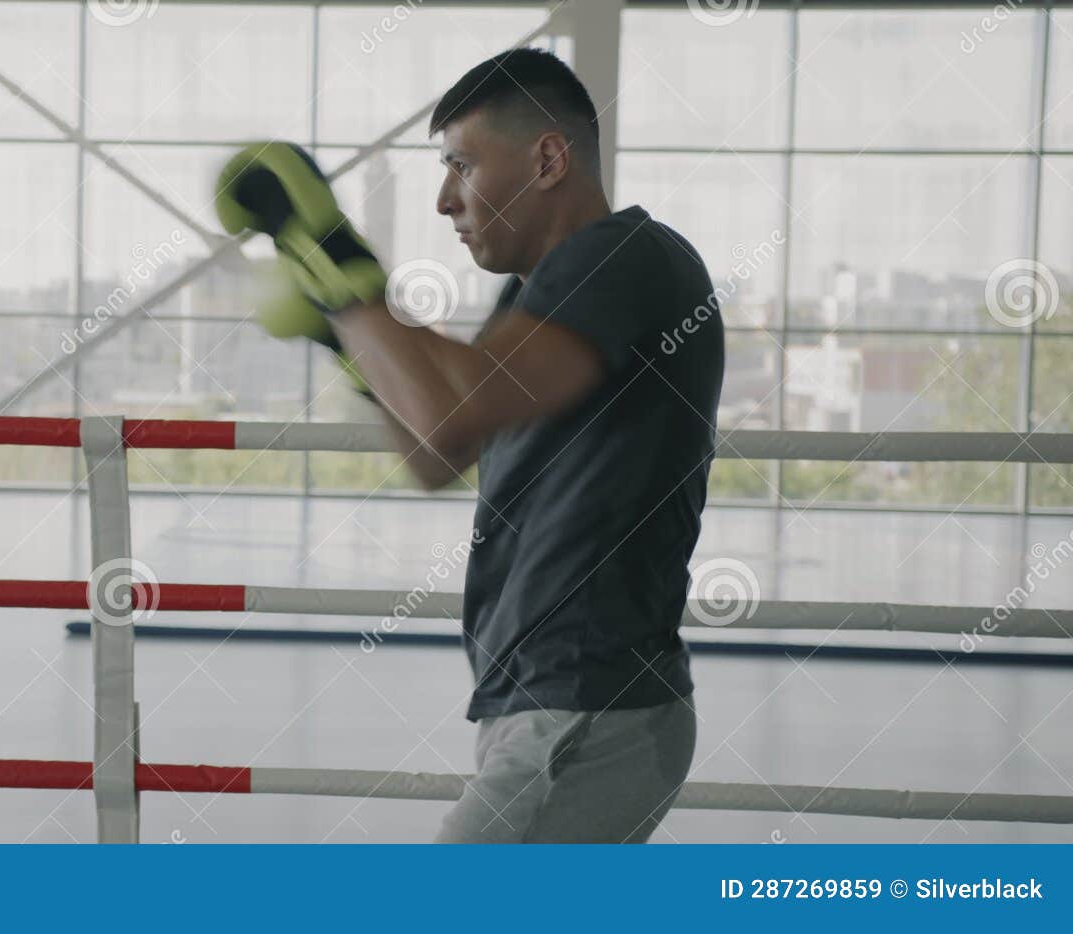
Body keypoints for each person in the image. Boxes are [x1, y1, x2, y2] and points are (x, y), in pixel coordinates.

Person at [214, 47, 723, 843]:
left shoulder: (624, 261)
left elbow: (456, 411)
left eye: (461, 164)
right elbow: (435, 453)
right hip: (547, 703)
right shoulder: (538, 295)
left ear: (548, 157)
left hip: (590, 707)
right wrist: (346, 339)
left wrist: (336, 261)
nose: (446, 198)